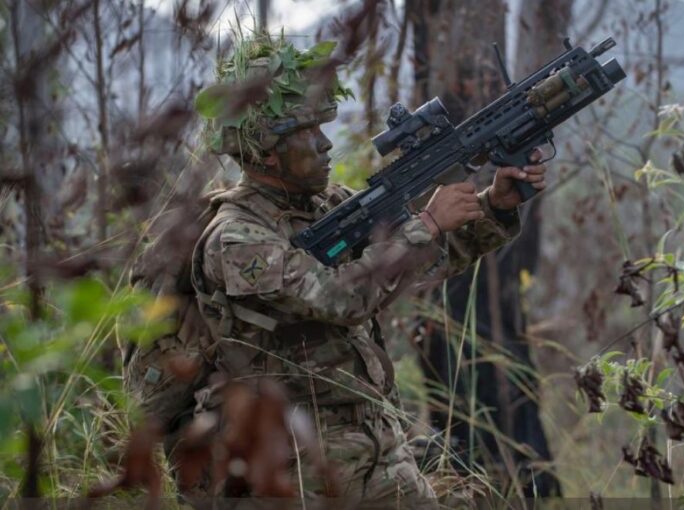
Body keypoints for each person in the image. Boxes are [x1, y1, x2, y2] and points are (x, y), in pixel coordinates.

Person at [188, 34, 547, 506]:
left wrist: (493, 205)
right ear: (266, 151)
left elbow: (421, 261)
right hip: (291, 466)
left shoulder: (326, 208)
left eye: (322, 128)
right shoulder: (236, 238)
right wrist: (427, 224)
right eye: (307, 134)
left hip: (375, 446)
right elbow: (339, 299)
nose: (324, 145)